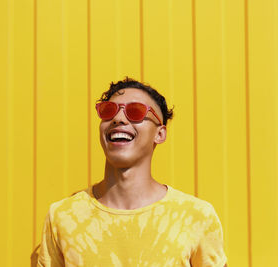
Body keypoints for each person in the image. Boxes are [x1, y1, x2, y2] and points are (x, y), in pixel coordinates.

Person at [37, 77, 228, 267]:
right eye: (108, 111)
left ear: (159, 134)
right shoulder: (62, 216)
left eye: (135, 112)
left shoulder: (196, 216)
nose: (118, 119)